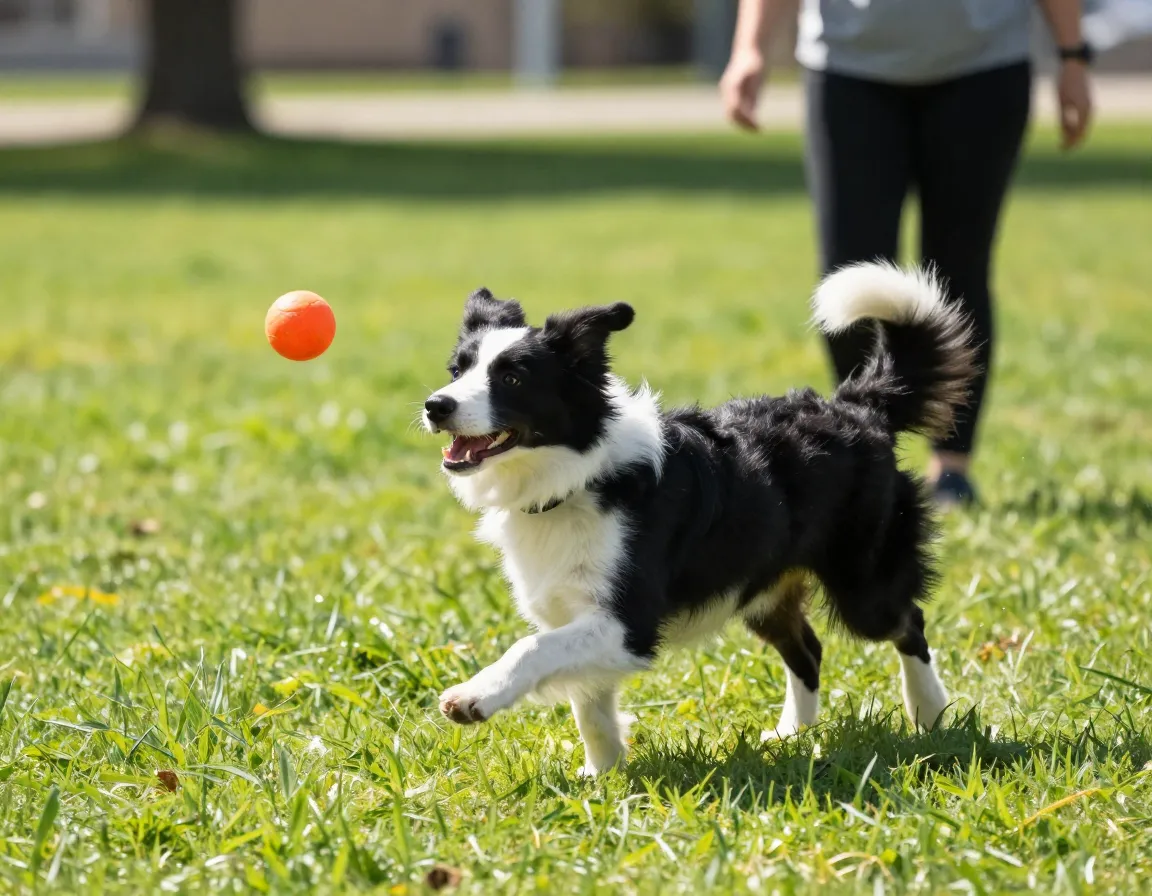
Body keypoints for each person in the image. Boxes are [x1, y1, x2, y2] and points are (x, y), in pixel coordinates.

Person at [720, 0, 1094, 505]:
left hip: (982, 65)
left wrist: (1072, 55)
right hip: (847, 66)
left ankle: (952, 467)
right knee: (848, 272)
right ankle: (865, 450)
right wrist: (749, 49)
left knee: (959, 270)